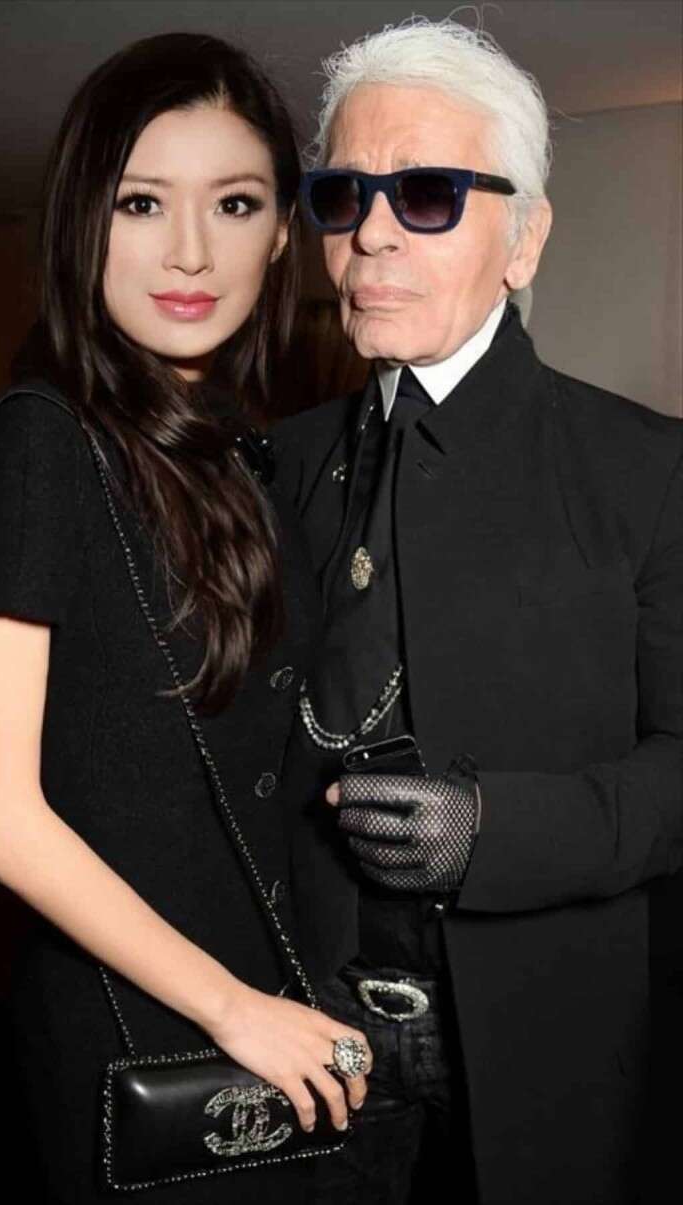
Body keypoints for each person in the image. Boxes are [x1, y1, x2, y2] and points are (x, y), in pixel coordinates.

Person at [0, 34, 370, 1205]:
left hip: (271, 999)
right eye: (141, 202)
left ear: (280, 234)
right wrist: (235, 1008)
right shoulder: (42, 443)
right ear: (82, 221)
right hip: (149, 1029)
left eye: (233, 204)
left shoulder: (233, 451)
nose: (190, 251)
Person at [275, 17, 683, 1205]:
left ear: (524, 238)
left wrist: (496, 830)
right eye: (342, 195)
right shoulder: (273, 466)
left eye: (427, 193)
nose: (371, 233)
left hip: (542, 1042)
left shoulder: (646, 470)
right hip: (304, 1037)